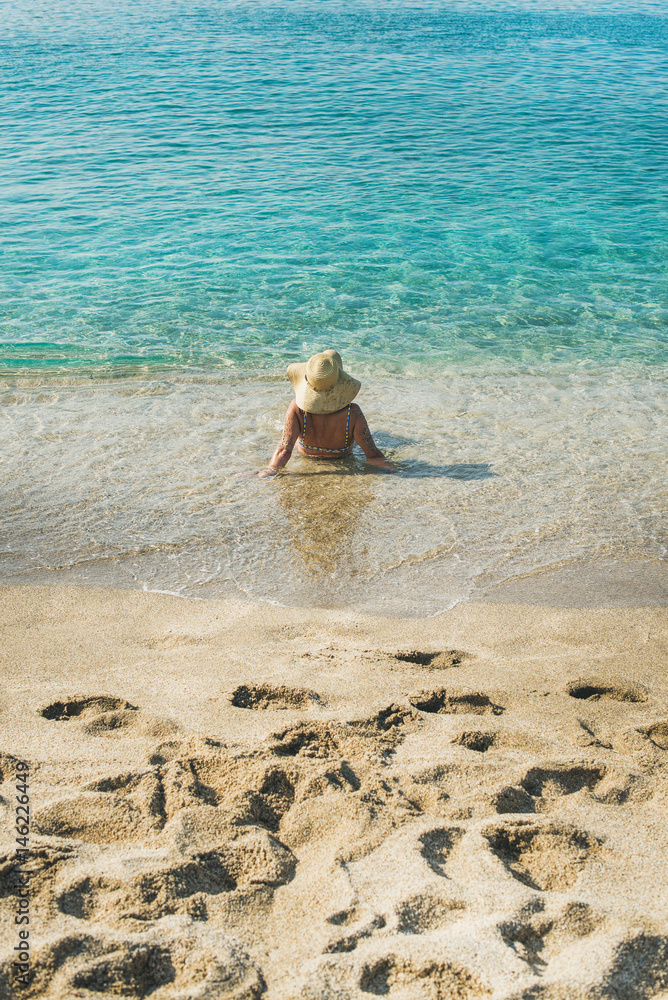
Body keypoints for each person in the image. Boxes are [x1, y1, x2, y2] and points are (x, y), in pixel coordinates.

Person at [259, 350, 397, 477]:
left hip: (306, 455)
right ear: (340, 380)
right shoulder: (353, 413)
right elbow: (373, 456)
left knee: (287, 439)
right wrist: (399, 471)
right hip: (341, 457)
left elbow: (284, 452)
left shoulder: (297, 408)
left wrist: (267, 472)